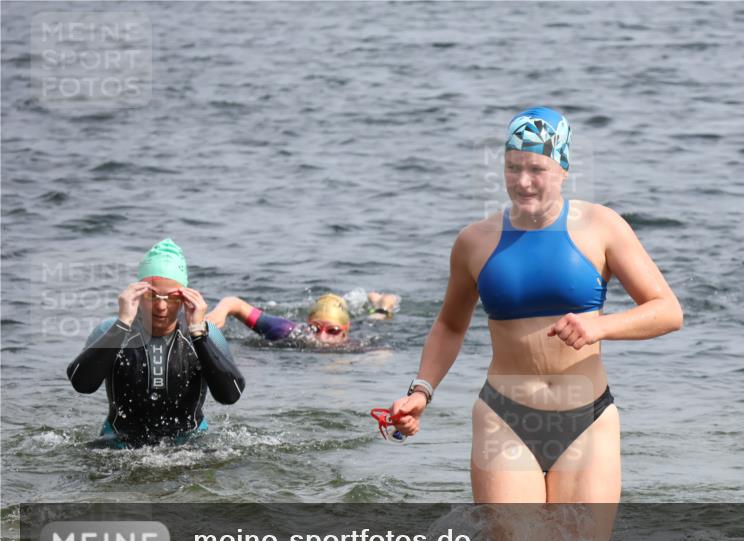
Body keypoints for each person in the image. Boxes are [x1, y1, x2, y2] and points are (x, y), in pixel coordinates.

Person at [387, 107, 683, 509]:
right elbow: (450, 327)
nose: (523, 182)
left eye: (536, 169)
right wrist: (421, 391)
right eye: (513, 168)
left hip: (588, 419)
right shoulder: (475, 241)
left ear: (563, 168)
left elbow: (667, 311)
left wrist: (600, 327)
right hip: (503, 418)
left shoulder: (602, 227)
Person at [67, 239, 245, 447]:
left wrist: (198, 334)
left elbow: (230, 395)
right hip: (118, 442)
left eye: (171, 298)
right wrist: (123, 324)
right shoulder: (111, 330)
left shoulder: (206, 335)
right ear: (137, 295)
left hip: (190, 443)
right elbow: (82, 384)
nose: (161, 306)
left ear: (184, 298)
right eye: (152, 296)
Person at [206, 291, 399, 346]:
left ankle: (383, 304)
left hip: (357, 327)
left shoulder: (355, 343)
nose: (322, 337)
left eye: (332, 331)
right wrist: (220, 312)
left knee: (377, 318)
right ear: (307, 324)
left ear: (344, 331)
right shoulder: (285, 330)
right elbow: (235, 303)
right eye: (315, 329)